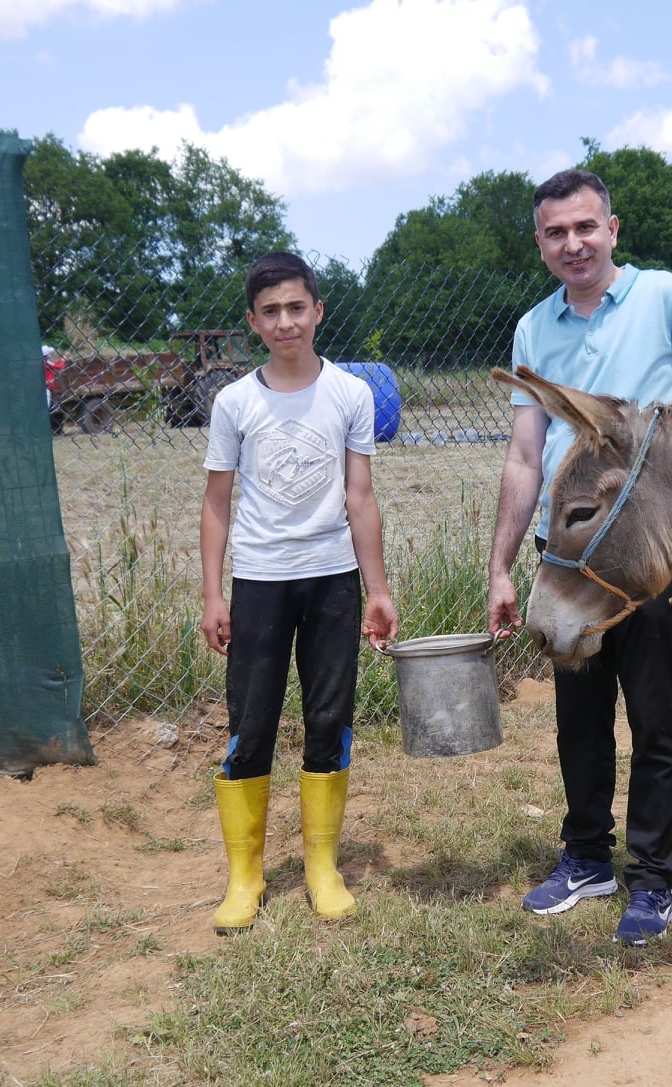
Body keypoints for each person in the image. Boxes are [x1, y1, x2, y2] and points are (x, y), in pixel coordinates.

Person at [488, 169, 672, 946]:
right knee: (579, 720)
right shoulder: (535, 329)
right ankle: (585, 858)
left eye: (584, 227)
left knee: (654, 718)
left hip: (653, 559)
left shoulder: (666, 297)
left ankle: (652, 876)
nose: (572, 244)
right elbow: (523, 457)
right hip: (571, 559)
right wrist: (503, 565)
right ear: (539, 243)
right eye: (554, 233)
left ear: (613, 228)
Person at [200, 251, 399, 934]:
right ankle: (245, 874)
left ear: (318, 311)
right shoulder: (234, 403)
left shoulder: (350, 395)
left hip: (334, 582)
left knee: (328, 719)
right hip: (258, 583)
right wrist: (212, 594)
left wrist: (377, 589)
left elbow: (361, 497)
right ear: (253, 322)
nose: (286, 321)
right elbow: (216, 505)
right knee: (249, 726)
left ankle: (322, 866)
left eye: (297, 307)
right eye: (271, 311)